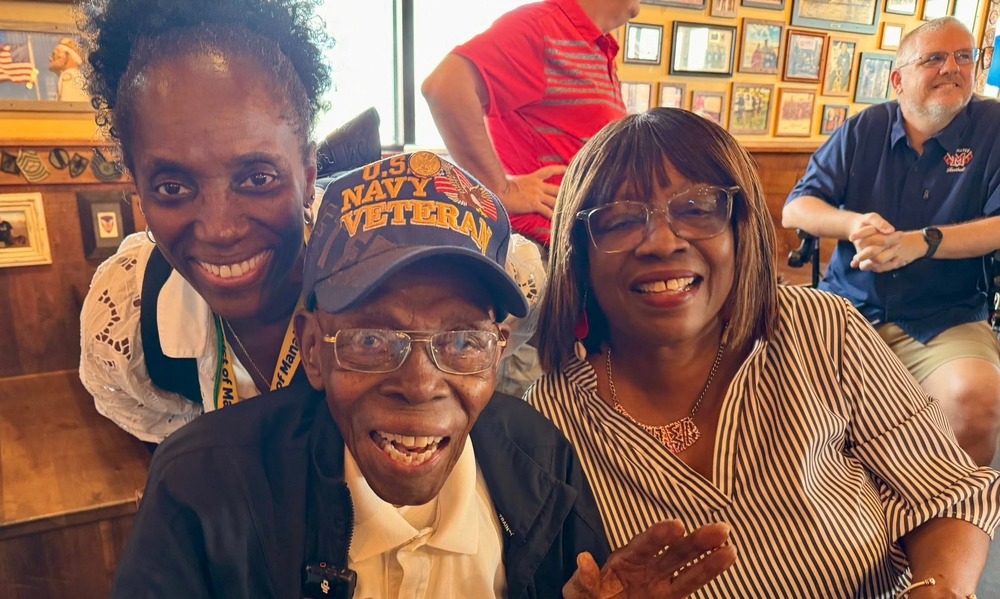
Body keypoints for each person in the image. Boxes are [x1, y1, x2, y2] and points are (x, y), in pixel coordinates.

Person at [109, 152, 735, 598]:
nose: (419, 383)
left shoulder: (541, 464)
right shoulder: (203, 488)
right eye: (372, 339)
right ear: (315, 351)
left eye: (462, 340)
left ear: (497, 350)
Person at [527, 107, 1000, 598]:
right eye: (621, 219)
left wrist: (937, 589)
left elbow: (948, 492)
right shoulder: (543, 424)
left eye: (696, 208)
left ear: (740, 228)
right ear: (578, 251)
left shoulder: (820, 329)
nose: (662, 242)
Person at [75, 0, 543, 445]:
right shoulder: (133, 320)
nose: (220, 229)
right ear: (136, 187)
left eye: (257, 178)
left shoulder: (405, 252)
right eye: (172, 188)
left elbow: (527, 292)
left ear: (309, 173)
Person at [783, 16, 1000, 466]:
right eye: (935, 58)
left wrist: (924, 241)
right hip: (847, 309)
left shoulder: (994, 128)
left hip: (946, 314)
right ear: (898, 79)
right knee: (784, 405)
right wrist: (852, 224)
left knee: (977, 399)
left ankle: (954, 523)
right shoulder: (863, 130)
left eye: (965, 56)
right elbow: (796, 208)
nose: (952, 68)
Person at [422, 0, 637, 396]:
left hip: (571, 263)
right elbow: (445, 87)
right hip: (534, 266)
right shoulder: (544, 28)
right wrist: (501, 188)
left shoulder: (599, 47)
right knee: (514, 416)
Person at [47, 37, 89, 102]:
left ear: (69, 56)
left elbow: (68, 106)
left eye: (55, 54)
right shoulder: (77, 76)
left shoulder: (69, 76)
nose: (50, 58)